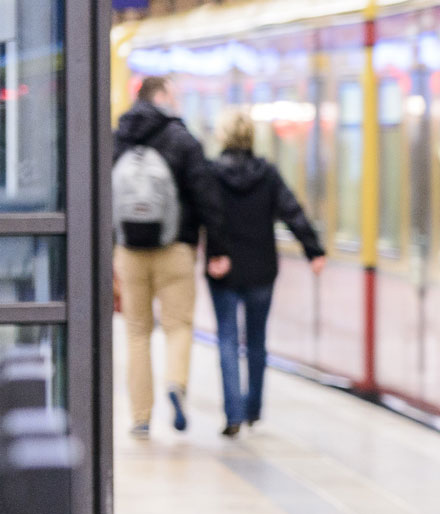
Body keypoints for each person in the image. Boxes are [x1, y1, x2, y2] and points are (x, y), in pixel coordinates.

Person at [112, 76, 228, 437]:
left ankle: (141, 417)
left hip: (129, 249)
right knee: (178, 326)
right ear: (160, 96)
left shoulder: (118, 137)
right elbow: (206, 195)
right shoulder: (182, 138)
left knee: (137, 332)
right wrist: (218, 248)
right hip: (176, 248)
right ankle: (175, 386)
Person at [207, 109, 328, 437]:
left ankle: (232, 414)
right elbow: (292, 210)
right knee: (257, 341)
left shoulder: (212, 174)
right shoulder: (268, 174)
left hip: (224, 269)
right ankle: (253, 409)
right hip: (261, 269)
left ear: (223, 136)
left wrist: (215, 253)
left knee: (228, 340)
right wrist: (313, 250)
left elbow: (209, 216)